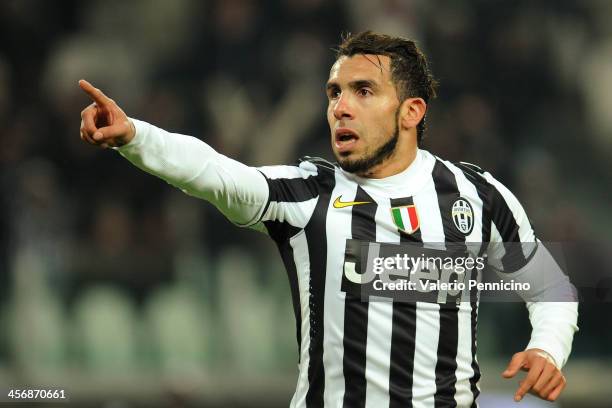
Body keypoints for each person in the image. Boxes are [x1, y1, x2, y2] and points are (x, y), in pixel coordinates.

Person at [78, 31, 578, 407]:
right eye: (334, 92)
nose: (340, 106)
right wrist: (135, 136)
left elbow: (549, 288)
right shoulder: (307, 196)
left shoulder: (477, 195)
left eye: (363, 91)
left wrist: (547, 349)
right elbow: (216, 174)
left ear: (410, 112)